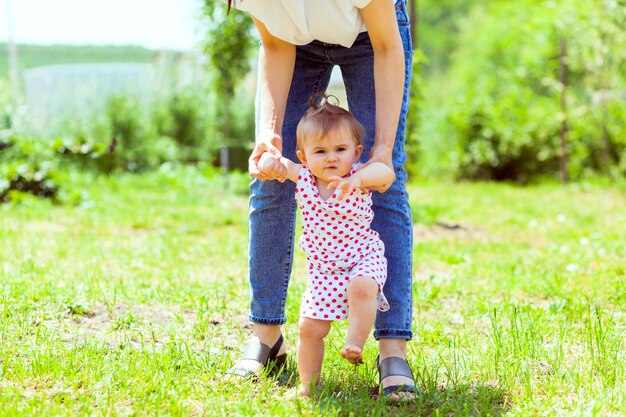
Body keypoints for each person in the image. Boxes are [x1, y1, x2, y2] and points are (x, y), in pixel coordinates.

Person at [225, 0, 416, 400]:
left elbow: (386, 47)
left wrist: (381, 150)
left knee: (382, 180)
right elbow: (276, 46)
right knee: (270, 176)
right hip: (295, 45)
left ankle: (391, 348)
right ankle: (266, 335)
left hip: (371, 38)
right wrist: (268, 134)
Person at [258, 95, 394, 396]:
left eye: (340, 149)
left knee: (361, 286)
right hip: (324, 271)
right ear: (304, 157)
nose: (332, 157)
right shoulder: (304, 177)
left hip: (362, 256)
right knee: (309, 329)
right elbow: (278, 163)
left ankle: (354, 344)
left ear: (355, 152)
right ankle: (308, 386)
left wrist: (357, 180)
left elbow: (385, 173)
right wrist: (270, 162)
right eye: (320, 151)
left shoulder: (357, 175)